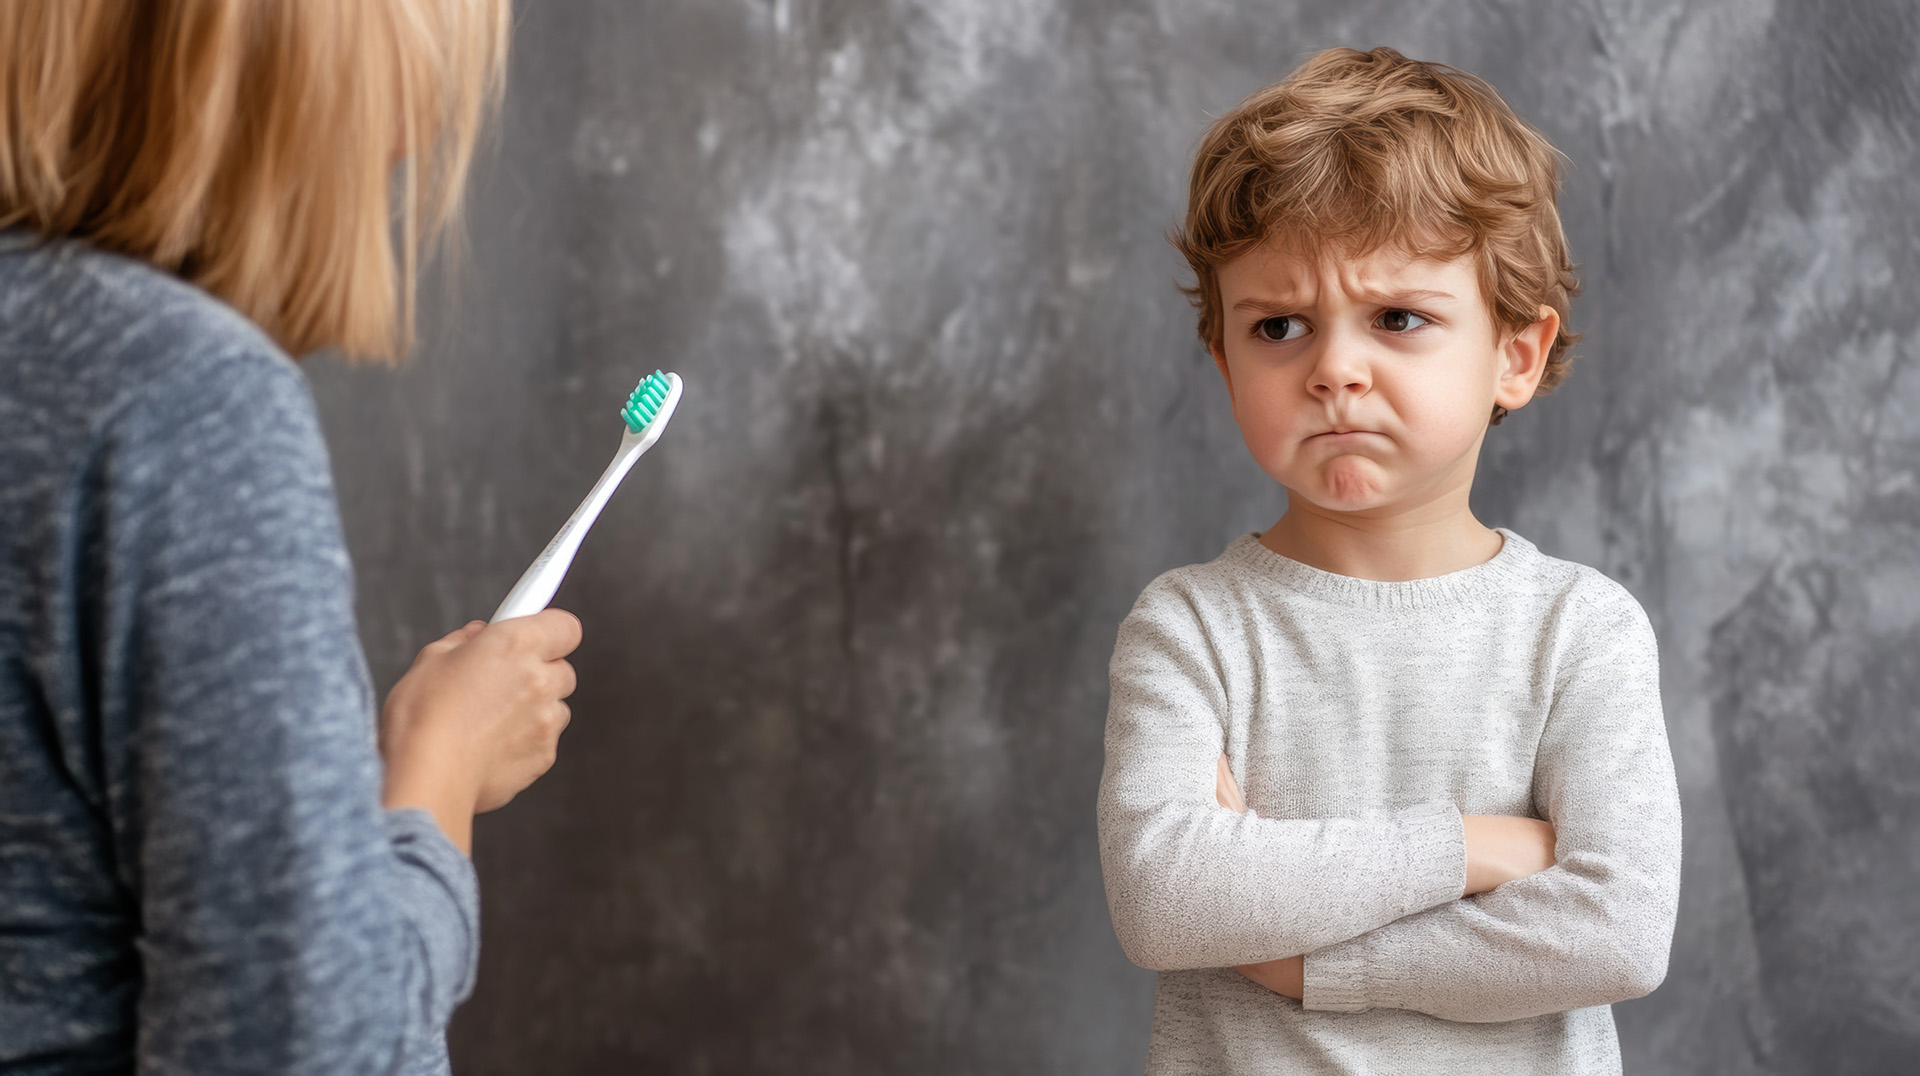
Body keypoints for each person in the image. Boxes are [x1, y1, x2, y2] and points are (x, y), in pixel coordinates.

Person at [0, 2, 581, 1072]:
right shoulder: (176, 401)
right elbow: (301, 1047)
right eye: (421, 65)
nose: (421, 129)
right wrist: (431, 780)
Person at [1096, 46, 1682, 1074]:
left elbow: (1617, 926)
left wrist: (1307, 966)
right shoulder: (1190, 627)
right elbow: (1166, 897)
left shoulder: (1581, 631)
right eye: (1278, 325)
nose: (1332, 370)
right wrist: (1480, 846)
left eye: (1398, 318)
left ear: (1517, 353)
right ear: (1226, 360)